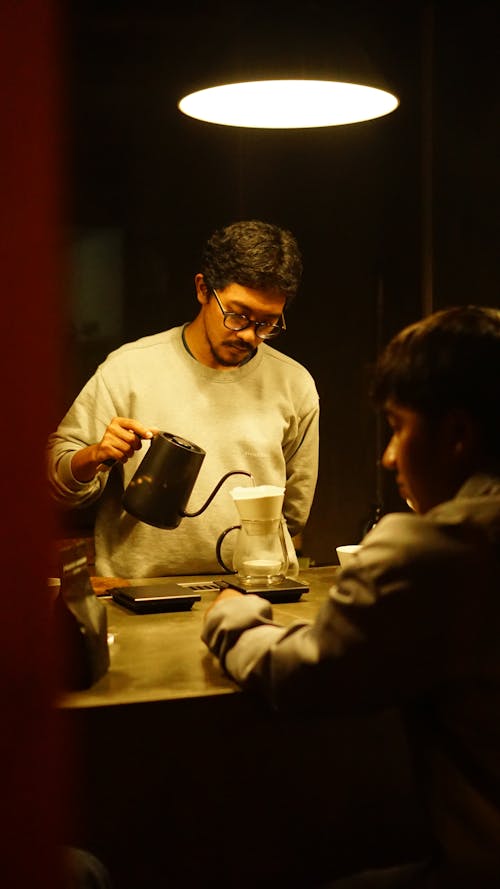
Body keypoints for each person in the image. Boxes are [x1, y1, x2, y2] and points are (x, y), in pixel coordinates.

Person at [202, 305, 500, 889]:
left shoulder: (435, 551)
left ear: (458, 436)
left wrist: (234, 617)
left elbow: (308, 675)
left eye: (398, 426)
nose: (388, 457)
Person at [47, 220, 319, 577]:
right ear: (203, 289)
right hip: (139, 592)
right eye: (238, 316)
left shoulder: (293, 383)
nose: (251, 336)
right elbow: (55, 481)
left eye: (268, 323)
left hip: (256, 594)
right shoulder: (130, 368)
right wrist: (94, 456)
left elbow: (294, 512)